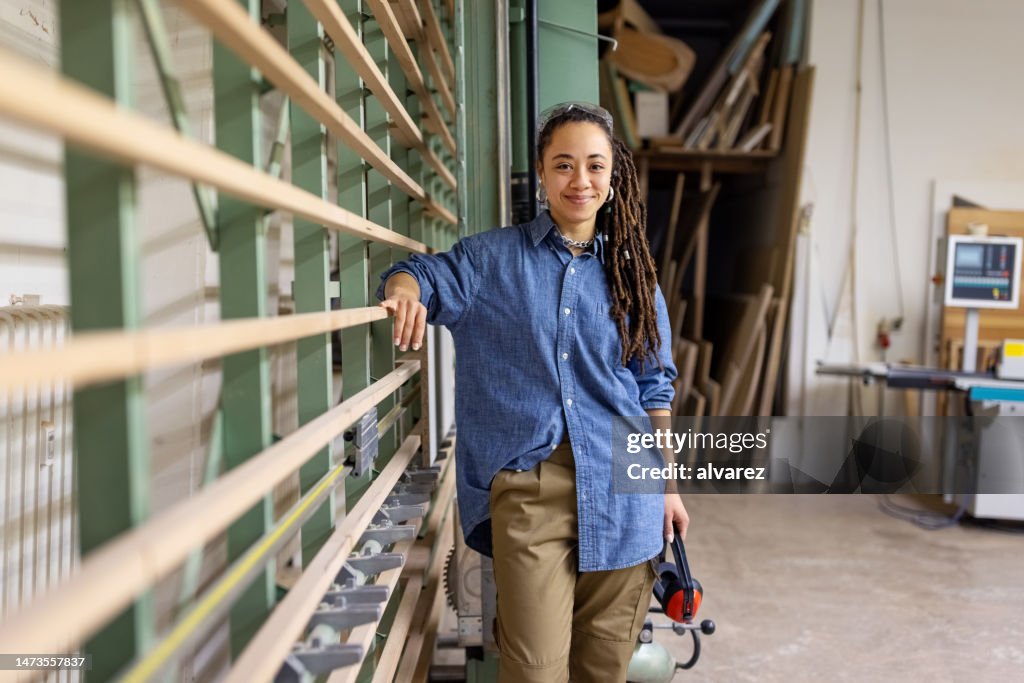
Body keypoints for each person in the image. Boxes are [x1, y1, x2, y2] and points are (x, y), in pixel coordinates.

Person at [377, 101, 689, 682]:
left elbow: (653, 388)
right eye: (564, 164)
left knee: (604, 670)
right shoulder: (490, 260)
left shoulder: (634, 276)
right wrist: (403, 291)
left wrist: (666, 485)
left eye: (595, 166)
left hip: (626, 492)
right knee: (535, 671)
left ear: (612, 180)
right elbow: (419, 275)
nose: (581, 180)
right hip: (529, 492)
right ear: (542, 174)